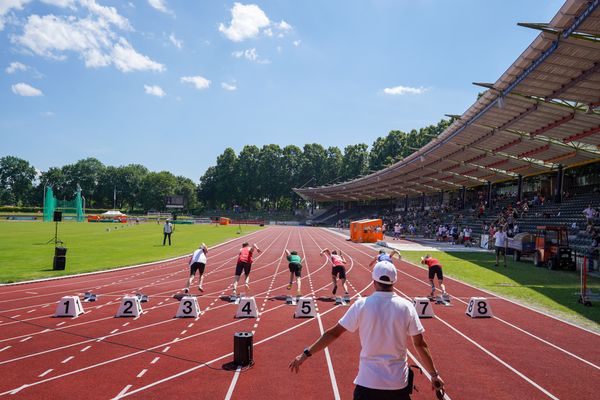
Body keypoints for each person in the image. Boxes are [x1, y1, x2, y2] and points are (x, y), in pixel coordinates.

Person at [289, 261, 445, 399]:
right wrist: (434, 375)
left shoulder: (361, 304)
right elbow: (420, 344)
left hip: (368, 383)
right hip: (397, 385)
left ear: (373, 280)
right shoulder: (407, 307)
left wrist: (305, 354)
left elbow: (333, 333)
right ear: (394, 281)